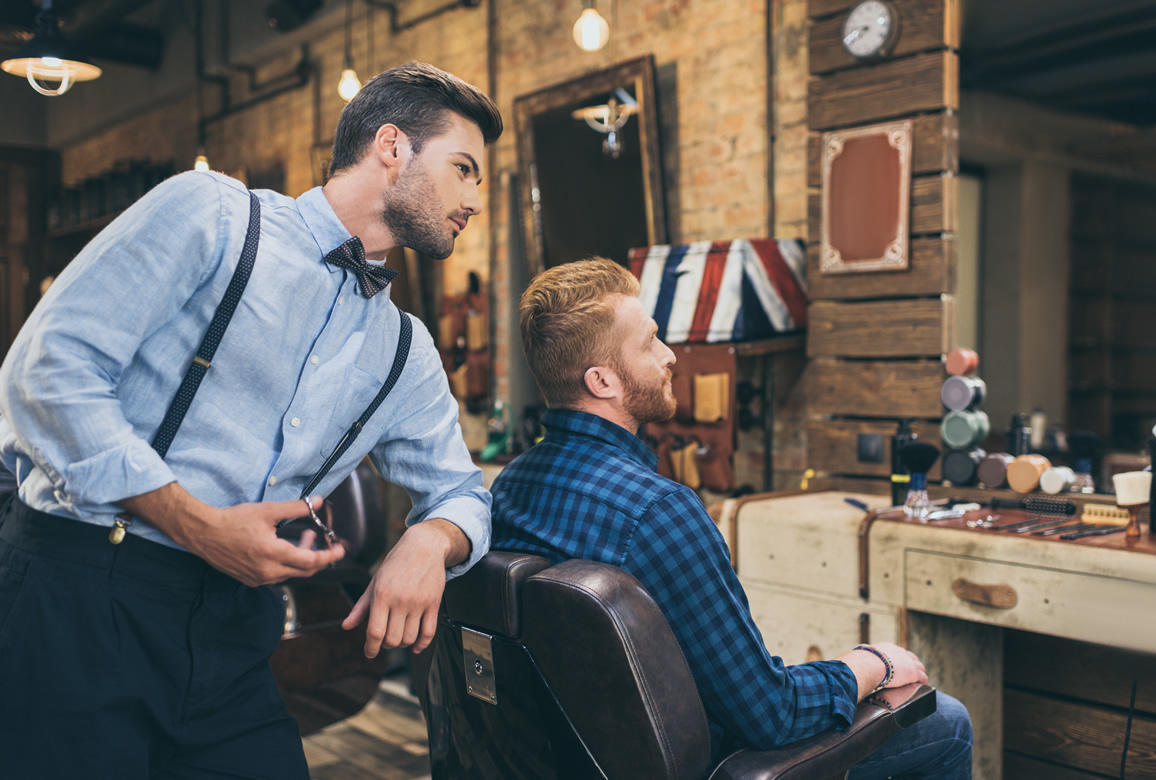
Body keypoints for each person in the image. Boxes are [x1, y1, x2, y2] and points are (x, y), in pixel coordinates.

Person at [0, 62, 500, 779]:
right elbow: (47, 371)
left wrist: (432, 538)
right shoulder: (212, 214)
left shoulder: (405, 349)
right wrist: (192, 522)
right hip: (80, 594)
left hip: (233, 633)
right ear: (392, 147)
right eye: (464, 169)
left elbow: (462, 491)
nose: (474, 199)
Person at [492, 257, 973, 778]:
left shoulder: (511, 487)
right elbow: (771, 715)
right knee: (945, 720)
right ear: (602, 380)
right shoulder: (658, 512)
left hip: (568, 760)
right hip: (705, 763)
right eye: (650, 342)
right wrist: (872, 665)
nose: (670, 355)